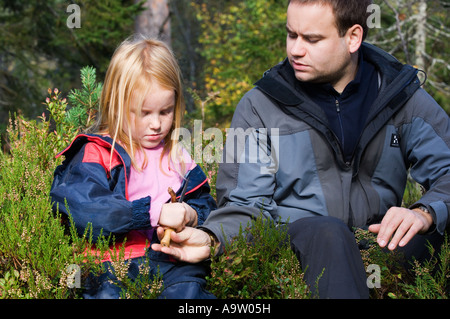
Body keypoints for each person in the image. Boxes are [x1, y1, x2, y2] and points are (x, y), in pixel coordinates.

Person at [152, 0, 450, 299]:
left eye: (312, 39)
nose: (295, 49)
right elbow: (246, 206)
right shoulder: (261, 106)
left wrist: (424, 213)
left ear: (353, 37)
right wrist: (210, 237)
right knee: (328, 232)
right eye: (291, 34)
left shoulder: (400, 96)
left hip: (382, 245)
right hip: (299, 247)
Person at [50, 36, 216, 299]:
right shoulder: (97, 153)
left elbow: (205, 203)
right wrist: (152, 213)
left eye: (166, 111)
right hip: (108, 265)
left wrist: (191, 214)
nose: (156, 124)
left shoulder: (175, 154)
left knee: (190, 292)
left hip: (168, 264)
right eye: (143, 112)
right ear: (117, 106)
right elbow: (83, 209)